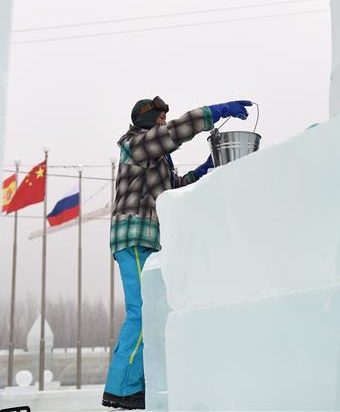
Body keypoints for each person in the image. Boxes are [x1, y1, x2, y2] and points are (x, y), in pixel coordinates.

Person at [102, 95, 252, 410]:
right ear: (146, 121)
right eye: (158, 119)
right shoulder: (135, 144)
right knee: (141, 311)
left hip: (149, 240)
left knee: (152, 311)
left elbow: (173, 186)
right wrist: (213, 113)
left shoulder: (153, 158)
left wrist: (206, 168)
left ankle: (136, 383)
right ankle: (122, 387)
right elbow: (173, 132)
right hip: (136, 235)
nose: (161, 124)